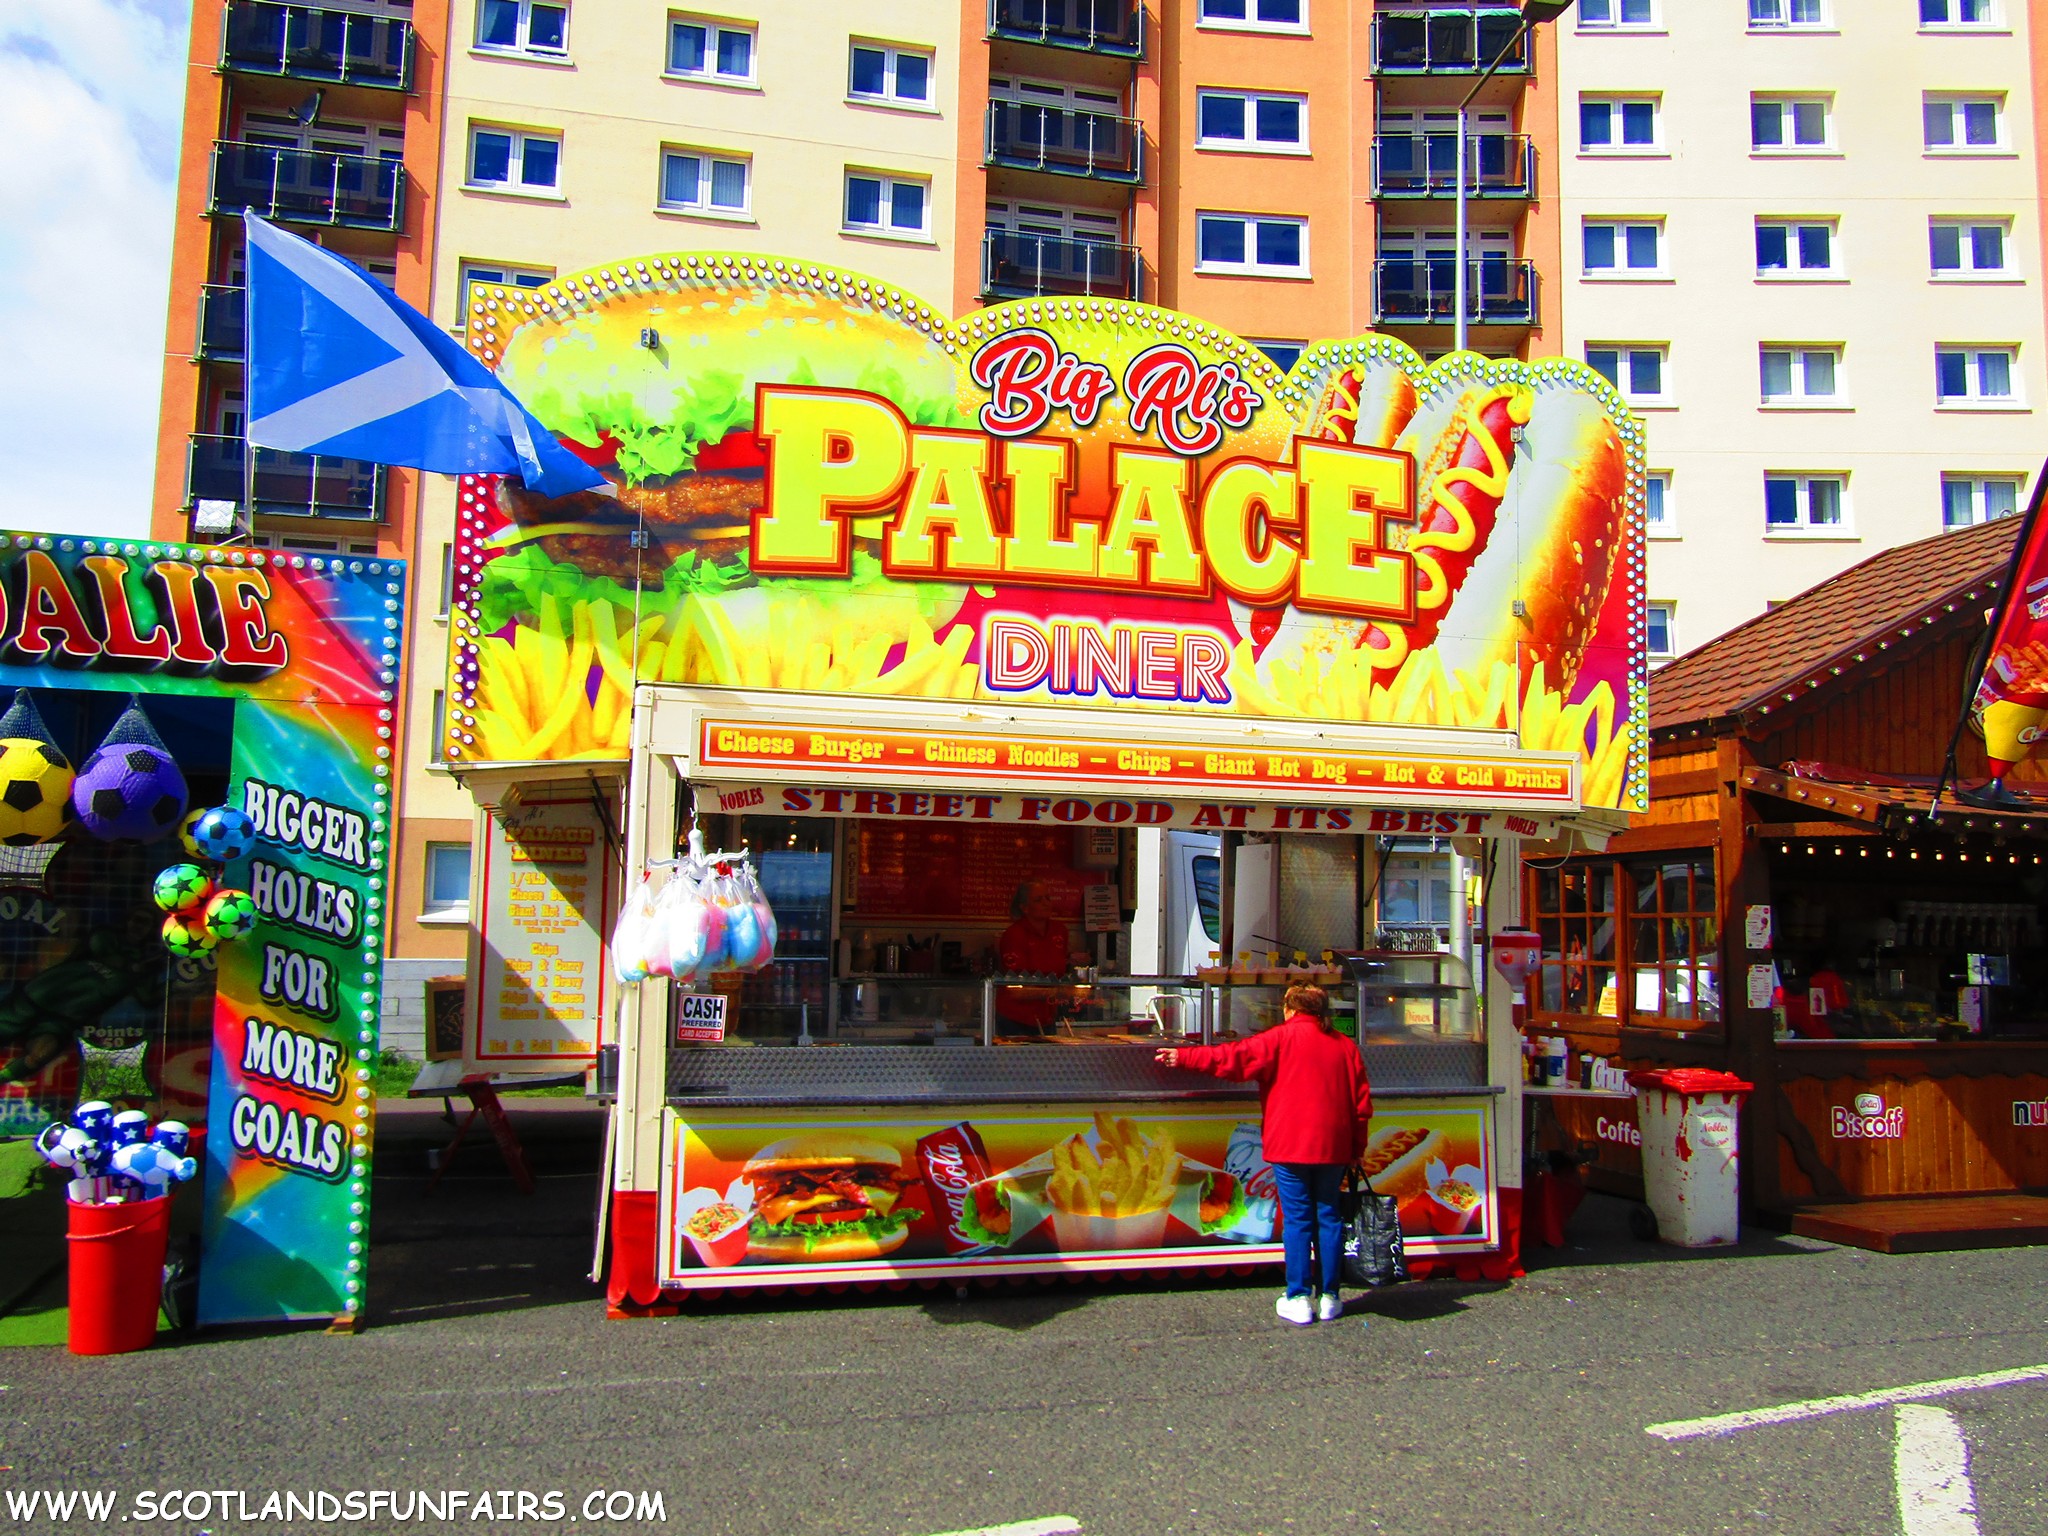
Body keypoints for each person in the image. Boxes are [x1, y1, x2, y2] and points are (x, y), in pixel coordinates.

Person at [1156, 984, 1371, 1325]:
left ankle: (1298, 1297)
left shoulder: (1278, 1039)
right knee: (1328, 1216)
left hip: (1289, 1145)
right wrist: (1358, 1148)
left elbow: (1230, 1058)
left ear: (1289, 1009)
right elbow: (1361, 1106)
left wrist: (1182, 1056)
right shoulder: (1345, 1047)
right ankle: (1330, 1296)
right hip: (1335, 1145)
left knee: (1299, 1219)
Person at [996, 880, 1080, 1035]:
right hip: (1016, 1019)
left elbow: (1060, 970)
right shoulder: (1014, 935)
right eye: (1038, 900)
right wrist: (1057, 992)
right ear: (1024, 908)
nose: (1045, 903)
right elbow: (1015, 988)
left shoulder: (1059, 931)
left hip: (1047, 1017)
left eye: (1047, 898)